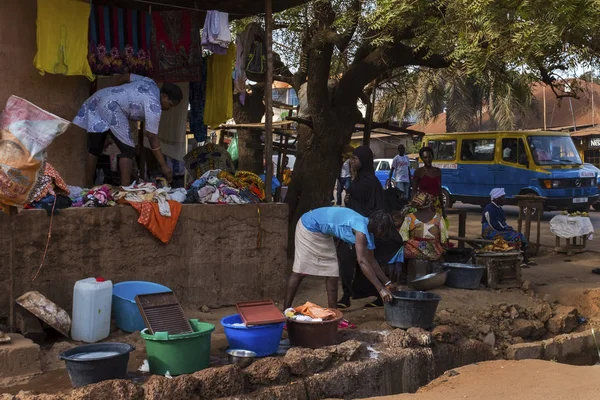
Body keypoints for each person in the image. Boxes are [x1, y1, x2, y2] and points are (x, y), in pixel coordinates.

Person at [74, 73, 183, 187]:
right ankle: (125, 189)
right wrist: (164, 166)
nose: (169, 109)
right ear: (164, 97)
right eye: (170, 105)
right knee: (128, 150)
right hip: (113, 107)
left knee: (95, 148)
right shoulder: (154, 105)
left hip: (100, 96)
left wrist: (114, 91)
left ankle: (87, 187)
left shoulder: (150, 82)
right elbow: (152, 136)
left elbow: (125, 77)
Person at [284, 207, 395, 311]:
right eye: (385, 230)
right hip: (309, 225)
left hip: (322, 232)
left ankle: (333, 314)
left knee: (332, 270)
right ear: (380, 227)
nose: (384, 234)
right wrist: (380, 289)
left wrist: (387, 283)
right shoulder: (360, 228)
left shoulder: (368, 232)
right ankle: (286, 310)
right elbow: (362, 261)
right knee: (300, 270)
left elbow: (371, 260)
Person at [337, 146, 385, 308]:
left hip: (363, 228)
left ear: (363, 161)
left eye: (355, 159)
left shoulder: (370, 182)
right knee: (346, 260)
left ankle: (380, 295)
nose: (352, 161)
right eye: (352, 158)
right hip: (352, 227)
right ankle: (346, 295)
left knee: (365, 261)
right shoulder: (359, 179)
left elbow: (376, 208)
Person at [482, 188, 535, 267]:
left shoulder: (498, 208)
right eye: (502, 197)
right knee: (516, 236)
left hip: (498, 230)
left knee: (519, 235)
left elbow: (502, 223)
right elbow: (494, 225)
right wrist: (506, 229)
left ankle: (524, 259)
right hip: (490, 233)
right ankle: (519, 260)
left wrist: (508, 228)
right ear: (497, 198)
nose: (504, 199)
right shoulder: (489, 208)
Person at [398, 192, 448, 262]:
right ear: (430, 203)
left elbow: (403, 238)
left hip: (413, 254)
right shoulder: (439, 217)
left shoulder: (409, 217)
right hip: (434, 254)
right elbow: (444, 240)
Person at [412, 147, 445, 217]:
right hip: (423, 206)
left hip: (436, 206)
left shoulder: (437, 171)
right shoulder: (418, 172)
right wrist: (413, 205)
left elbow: (439, 191)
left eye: (429, 157)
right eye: (425, 157)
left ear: (432, 157)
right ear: (422, 158)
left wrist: (443, 210)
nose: (427, 159)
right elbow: (414, 190)